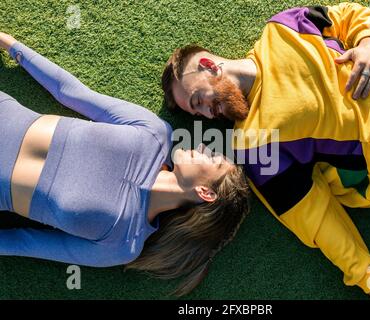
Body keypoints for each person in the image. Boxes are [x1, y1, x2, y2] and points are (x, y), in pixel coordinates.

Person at [162, 2, 370, 299]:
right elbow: (314, 215)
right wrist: (368, 277)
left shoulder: (283, 29)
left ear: (208, 65)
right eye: (198, 115)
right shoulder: (252, 147)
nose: (208, 115)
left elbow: (354, 13)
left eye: (198, 100)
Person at [0, 32, 250, 296]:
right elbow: (71, 92)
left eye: (213, 158)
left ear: (205, 192)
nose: (202, 146)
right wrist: (10, 44)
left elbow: (22, 242)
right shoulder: (154, 132)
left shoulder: (122, 244)